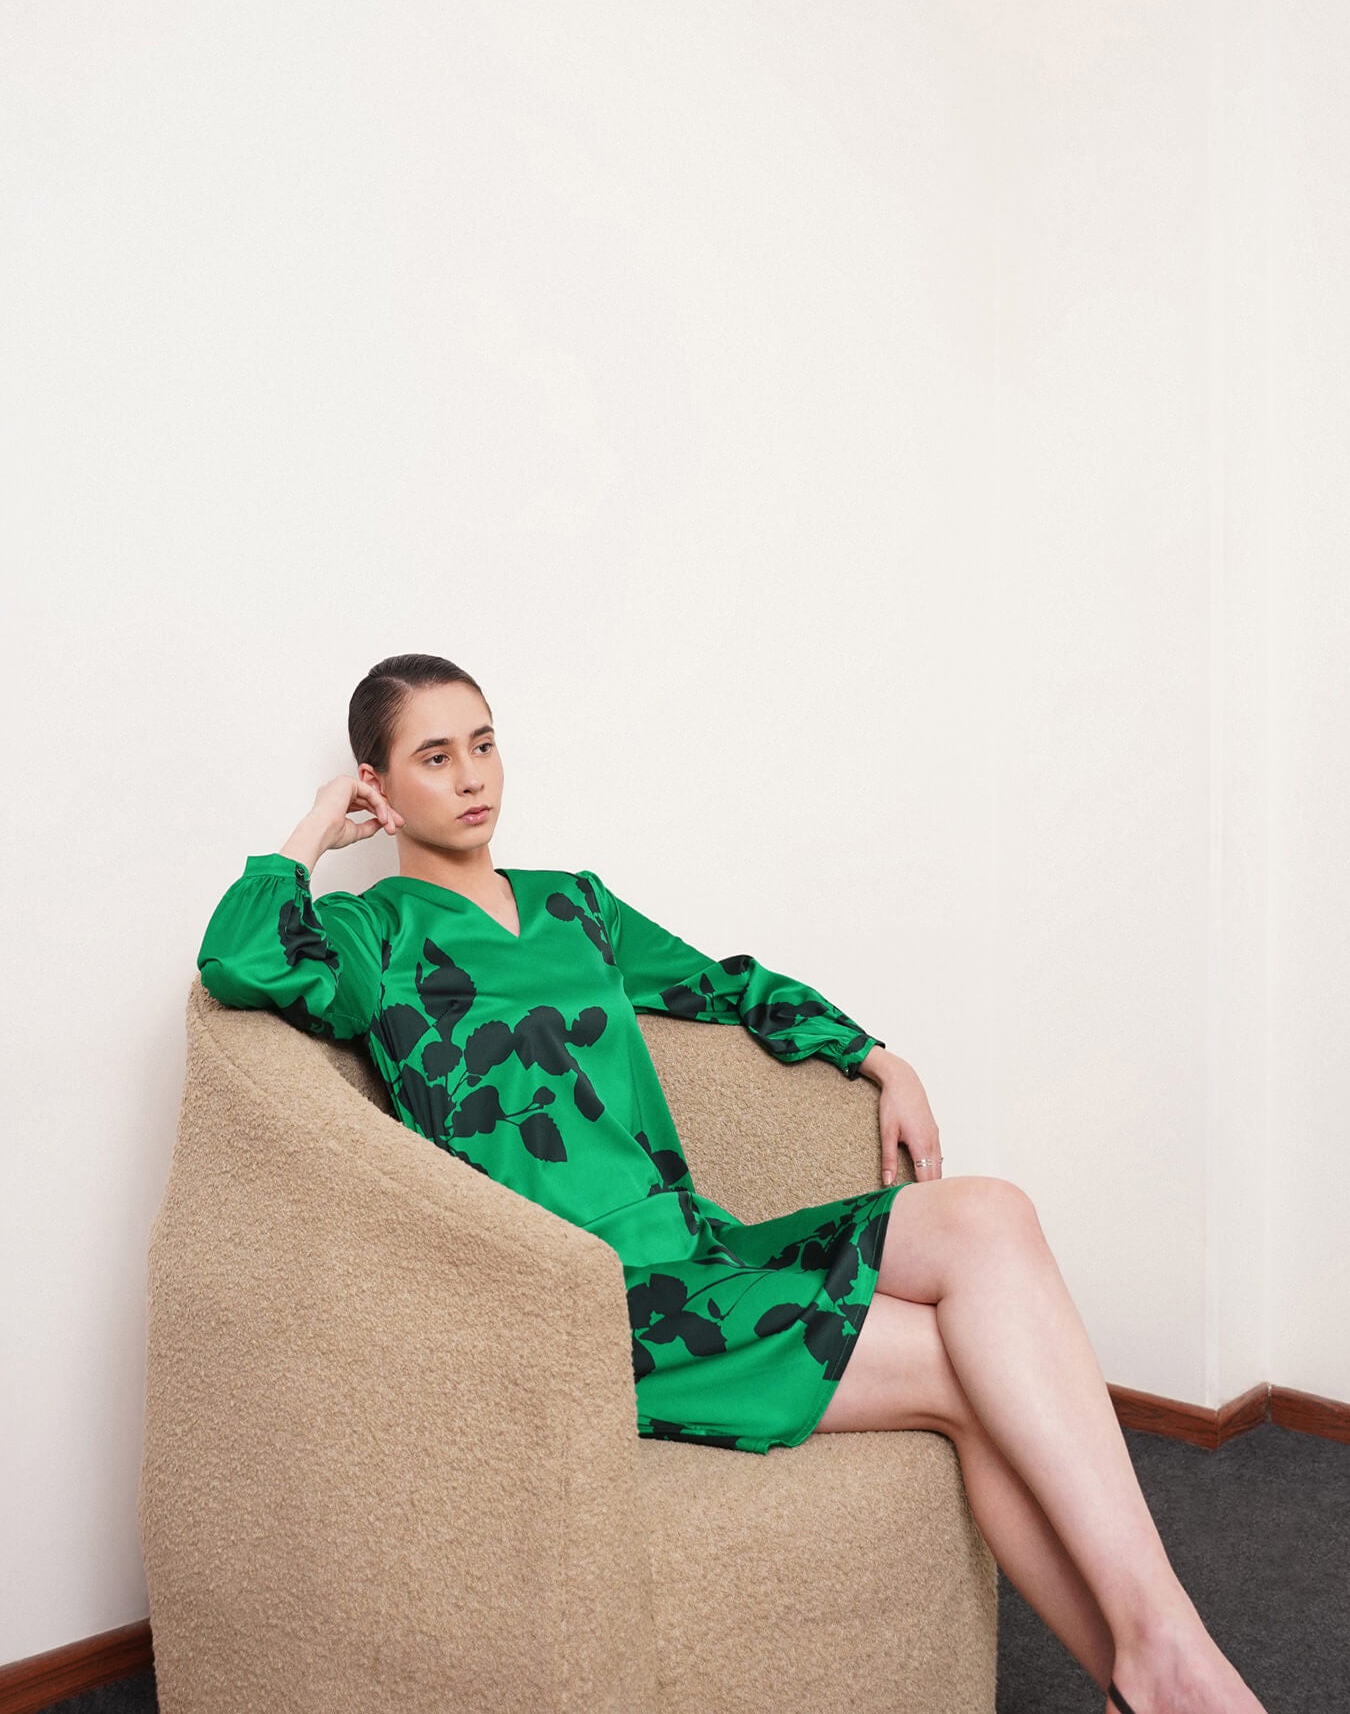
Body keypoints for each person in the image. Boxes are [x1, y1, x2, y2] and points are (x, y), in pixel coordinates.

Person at [196, 652, 1265, 1714]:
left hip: (696, 1248)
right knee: (967, 1373)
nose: (473, 777)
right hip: (587, 1304)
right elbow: (237, 961)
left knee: (992, 1212)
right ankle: (1166, 1671)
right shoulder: (368, 935)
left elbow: (724, 986)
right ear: (377, 784)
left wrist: (877, 1057)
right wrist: (317, 827)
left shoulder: (575, 906)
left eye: (483, 744)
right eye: (434, 758)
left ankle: (1159, 1657)